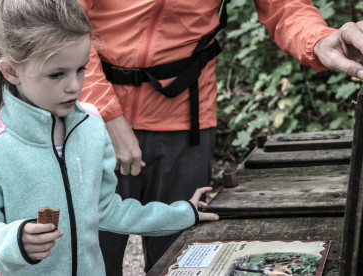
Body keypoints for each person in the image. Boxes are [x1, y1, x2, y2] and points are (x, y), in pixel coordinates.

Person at [77, 0, 363, 274]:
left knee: (179, 254)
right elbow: (65, 20)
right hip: (87, 111)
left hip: (185, 120)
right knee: (91, 252)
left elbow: (286, 6)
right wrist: (106, 116)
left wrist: (319, 40)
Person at [0, 0, 219, 275]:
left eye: (81, 69)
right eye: (57, 74)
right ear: (11, 71)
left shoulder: (91, 125)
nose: (74, 86)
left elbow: (107, 209)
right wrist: (14, 241)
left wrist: (183, 212)